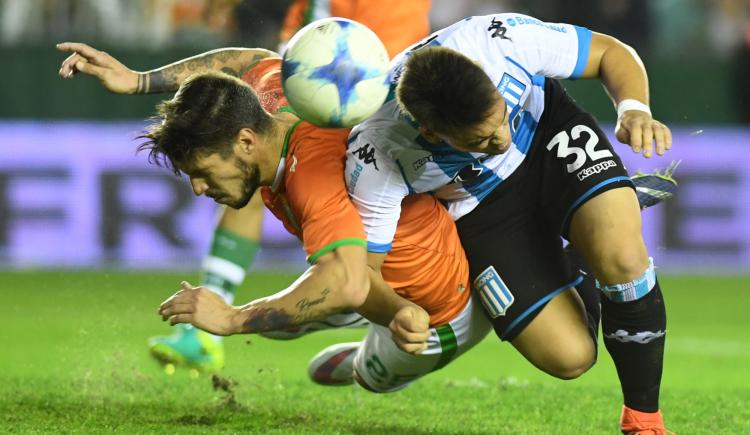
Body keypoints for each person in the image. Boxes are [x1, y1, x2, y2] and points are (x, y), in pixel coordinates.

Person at [57, 0, 434, 373]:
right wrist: (140, 80)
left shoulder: (312, 167)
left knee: (357, 306)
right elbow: (246, 61)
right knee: (257, 164)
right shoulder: (271, 89)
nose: (197, 189)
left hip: (353, 61)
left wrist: (232, 319)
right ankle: (337, 309)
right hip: (339, 56)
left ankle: (359, 328)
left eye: (199, 175)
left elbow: (350, 282)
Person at [343, 13, 673, 434]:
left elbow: (610, 52)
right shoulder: (378, 149)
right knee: (570, 358)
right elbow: (363, 273)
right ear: (429, 130)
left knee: (624, 257)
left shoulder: (498, 39)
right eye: (478, 140)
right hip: (482, 211)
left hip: (547, 136)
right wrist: (396, 310)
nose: (500, 138)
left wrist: (633, 109)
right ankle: (582, 247)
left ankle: (644, 421)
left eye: (500, 114)